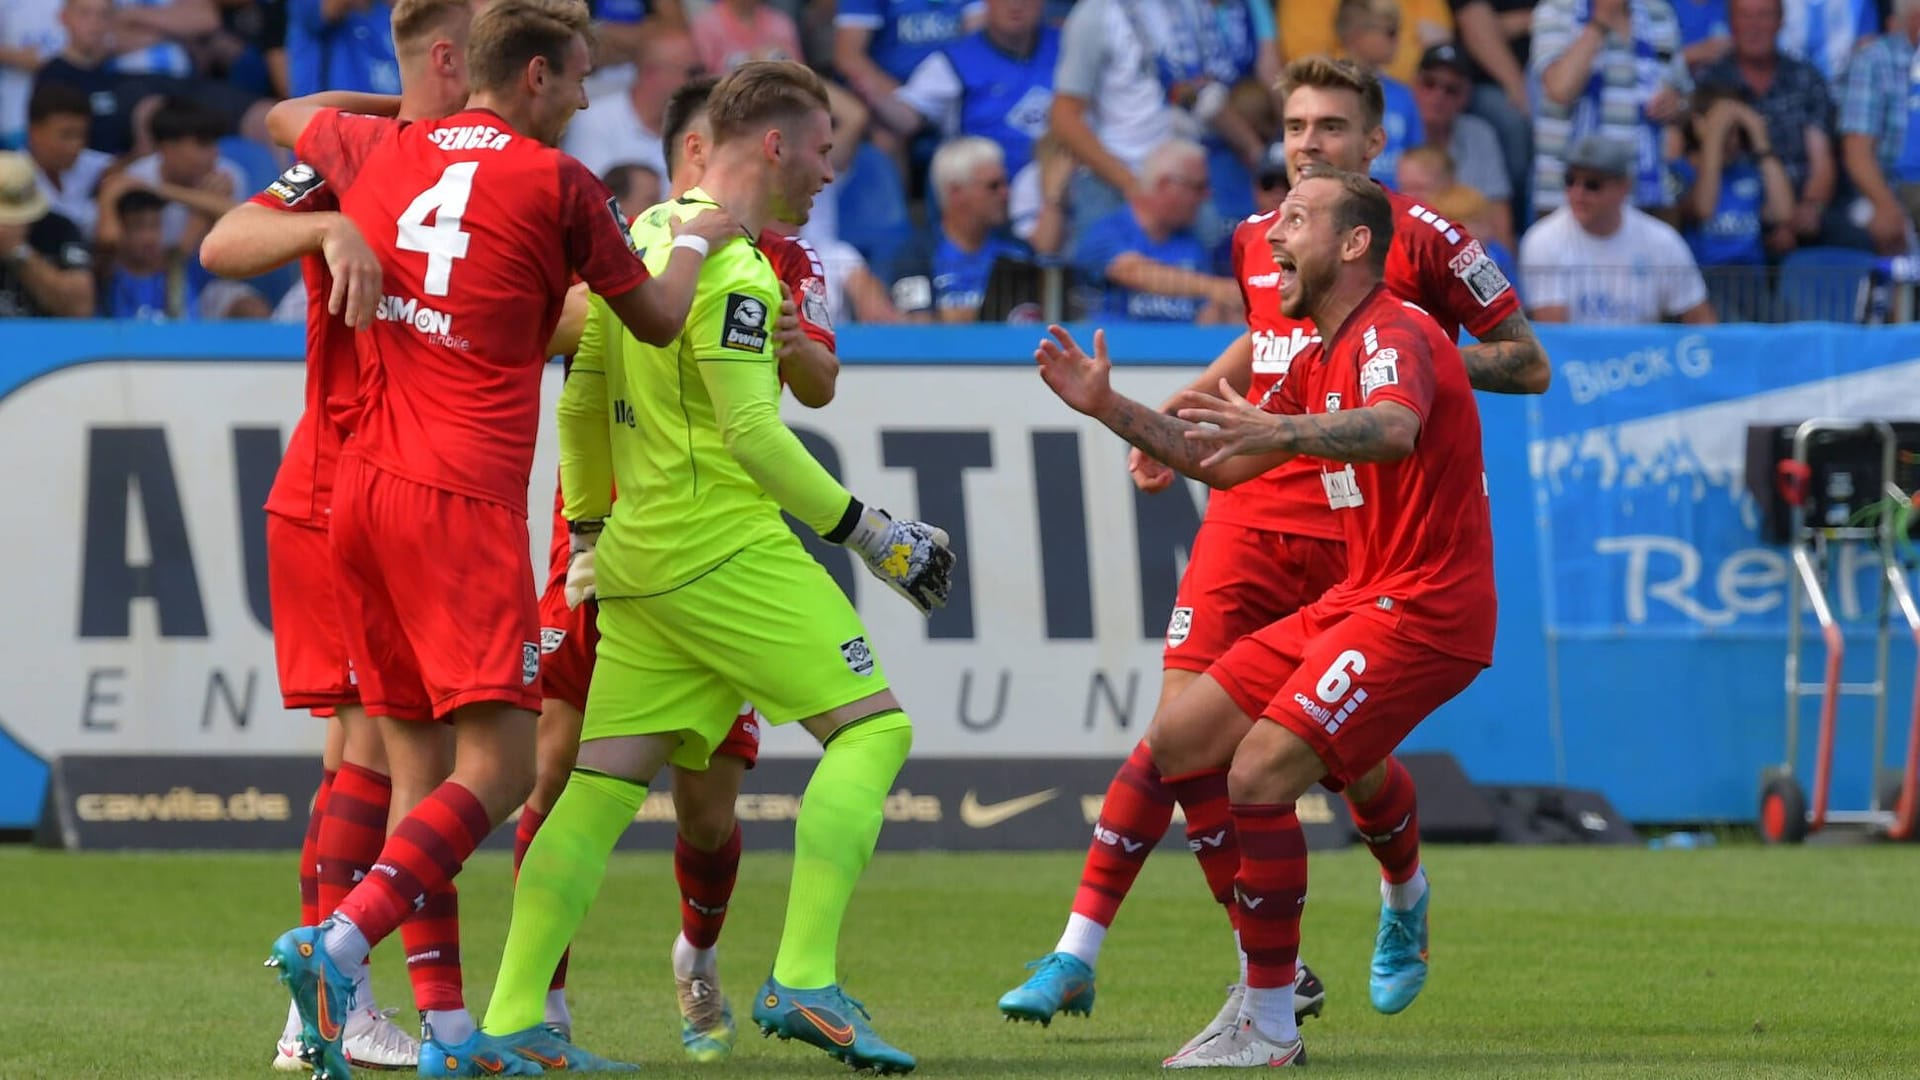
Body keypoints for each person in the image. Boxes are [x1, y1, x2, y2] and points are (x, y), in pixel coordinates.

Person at [997, 54, 1548, 1057]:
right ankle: (1213, 983)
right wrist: (1110, 407)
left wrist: (1292, 430)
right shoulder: (1315, 339)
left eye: (1298, 211)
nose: (1269, 227)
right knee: (1180, 742)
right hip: (1358, 589)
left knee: (1261, 769)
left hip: (1417, 604)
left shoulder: (1396, 328)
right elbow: (1224, 455)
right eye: (1292, 133)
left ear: (1353, 233)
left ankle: (1270, 1013)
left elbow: (1387, 426)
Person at [257, 1, 737, 1077]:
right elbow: (654, 316)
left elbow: (290, 111)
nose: (582, 99)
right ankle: (335, 946)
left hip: (363, 496)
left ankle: (452, 1037)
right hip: (459, 501)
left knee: (418, 774)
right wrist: (700, 235)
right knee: (507, 765)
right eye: (576, 80)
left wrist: (394, 147)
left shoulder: (376, 143)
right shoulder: (559, 183)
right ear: (530, 76)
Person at [478, 59, 954, 1075]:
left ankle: (512, 1019)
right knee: (875, 732)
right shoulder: (737, 268)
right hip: (720, 548)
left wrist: (594, 536)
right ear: (773, 143)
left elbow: (581, 391)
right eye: (823, 146)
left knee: (595, 794)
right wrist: (875, 533)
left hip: (641, 563)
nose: (831, 169)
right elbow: (755, 437)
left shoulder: (645, 235)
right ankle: (806, 979)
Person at [510, 71, 841, 1065]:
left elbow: (819, 386)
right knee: (556, 769)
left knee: (707, 809)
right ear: (695, 149)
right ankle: (545, 1002)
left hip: (716, 549)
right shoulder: (631, 237)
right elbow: (558, 347)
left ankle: (697, 955)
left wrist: (789, 345)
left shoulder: (784, 256)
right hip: (607, 544)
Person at [197, 1, 478, 1070]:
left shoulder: (430, 153)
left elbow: (292, 111)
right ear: (454, 53)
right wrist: (325, 222)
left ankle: (324, 1014)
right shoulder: (363, 163)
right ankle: (347, 1004)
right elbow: (227, 241)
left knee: (362, 757)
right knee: (398, 756)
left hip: (372, 486)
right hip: (342, 487)